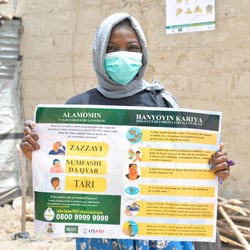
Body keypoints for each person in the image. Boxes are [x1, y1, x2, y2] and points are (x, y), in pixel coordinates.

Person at [20, 13, 232, 250]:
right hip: (103, 239)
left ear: (143, 54)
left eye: (132, 48)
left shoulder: (163, 104)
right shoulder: (77, 109)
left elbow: (186, 173)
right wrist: (38, 155)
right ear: (99, 53)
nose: (123, 56)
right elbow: (63, 173)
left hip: (160, 237)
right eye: (112, 48)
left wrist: (215, 168)